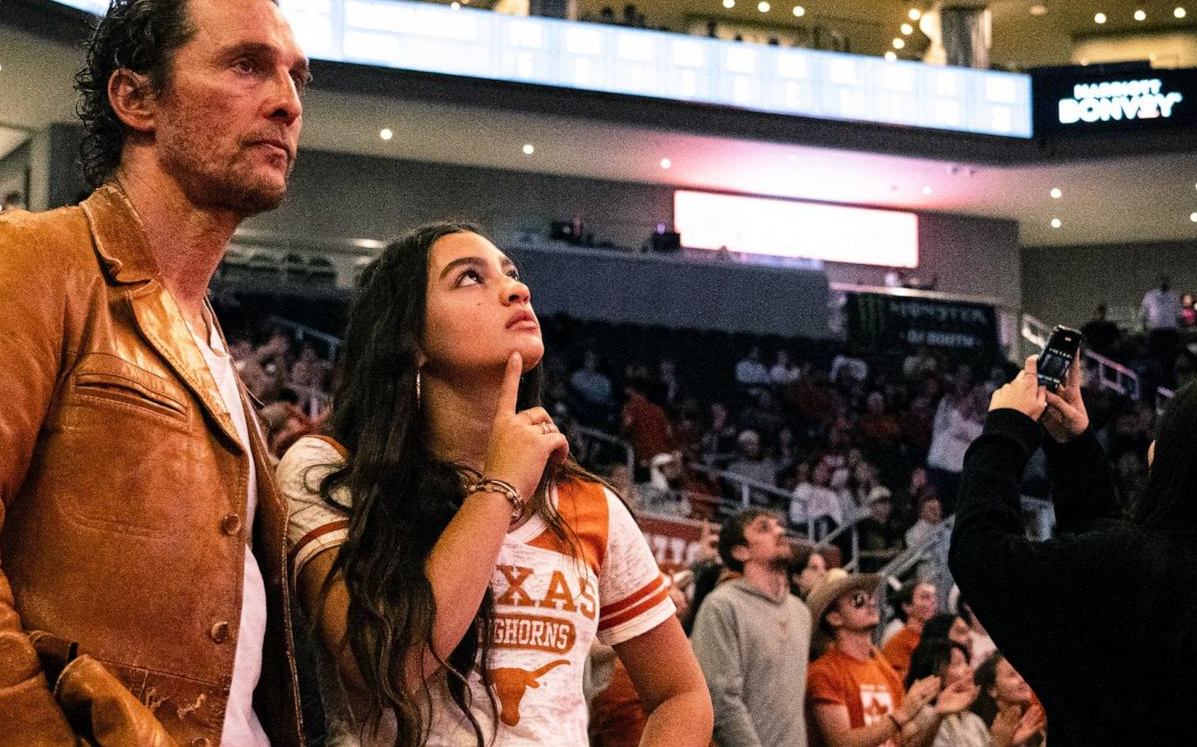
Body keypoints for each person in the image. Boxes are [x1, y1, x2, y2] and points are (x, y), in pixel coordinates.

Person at [0, 0, 311, 744]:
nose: (287, 102)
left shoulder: (214, 345)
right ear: (135, 99)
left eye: (296, 77)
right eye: (247, 66)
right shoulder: (19, 263)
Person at [276, 222, 711, 745]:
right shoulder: (330, 469)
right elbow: (387, 669)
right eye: (468, 278)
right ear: (410, 339)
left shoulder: (587, 503)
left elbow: (682, 695)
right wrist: (501, 485)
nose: (516, 289)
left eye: (510, 273)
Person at [949, 359, 1197, 744]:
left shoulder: (1138, 566)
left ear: (1191, 460)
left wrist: (1004, 430)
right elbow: (1107, 600)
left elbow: (980, 555)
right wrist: (1074, 448)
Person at [804, 569, 972, 747]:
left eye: (870, 598)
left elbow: (907, 742)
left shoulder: (882, 667)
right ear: (834, 617)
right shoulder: (824, 672)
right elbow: (841, 743)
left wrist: (938, 715)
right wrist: (903, 714)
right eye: (858, 600)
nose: (870, 603)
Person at [690, 508, 812, 747]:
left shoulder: (801, 611)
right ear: (740, 551)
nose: (779, 530)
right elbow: (722, 702)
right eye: (764, 527)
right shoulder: (722, 606)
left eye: (778, 525)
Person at [880, 580, 937, 679]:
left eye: (934, 596)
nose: (933, 601)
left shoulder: (938, 635)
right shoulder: (896, 644)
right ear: (907, 606)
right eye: (925, 597)